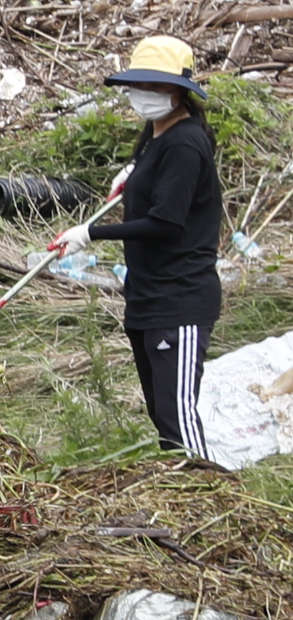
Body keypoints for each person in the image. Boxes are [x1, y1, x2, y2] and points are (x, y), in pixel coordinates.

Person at [54, 34, 226, 463]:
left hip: (179, 298)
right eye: (140, 86)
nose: (144, 96)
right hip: (148, 297)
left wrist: (91, 234)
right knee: (159, 412)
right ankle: (182, 500)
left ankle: (207, 494)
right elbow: (155, 182)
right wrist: (135, 175)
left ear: (178, 91)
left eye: (156, 87)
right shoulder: (156, 135)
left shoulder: (185, 142)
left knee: (177, 416)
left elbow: (166, 225)